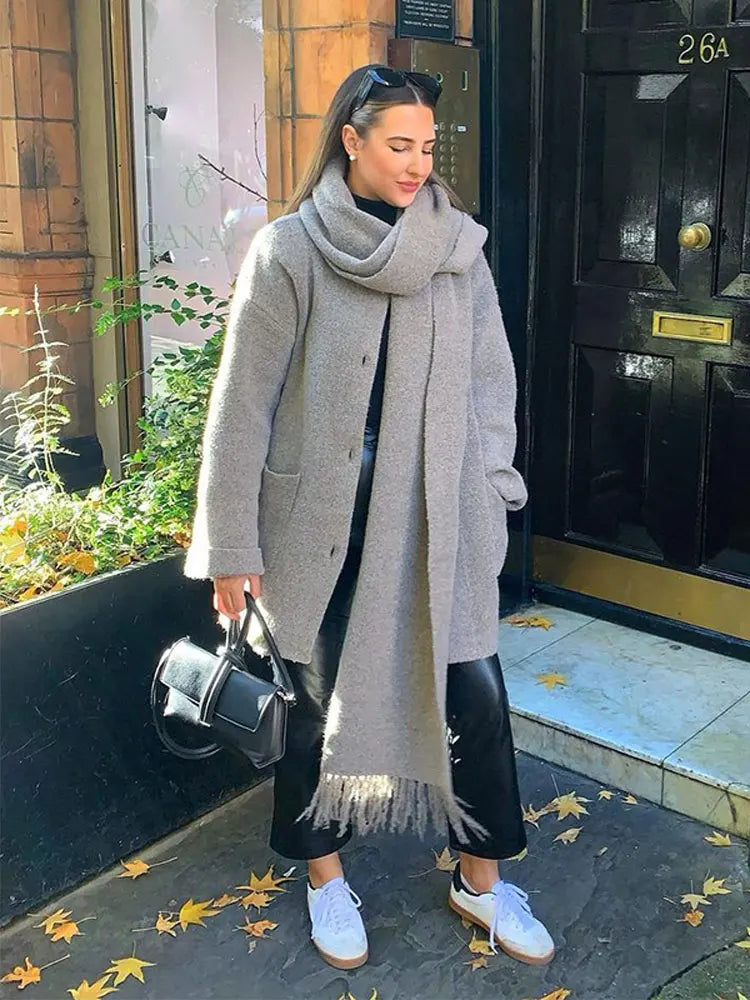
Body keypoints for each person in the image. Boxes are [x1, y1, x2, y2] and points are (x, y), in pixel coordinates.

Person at [184, 64, 554, 972]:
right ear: (350, 141)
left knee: (476, 699)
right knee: (312, 707)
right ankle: (324, 878)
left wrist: (494, 485)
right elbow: (243, 406)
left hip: (438, 520)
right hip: (318, 526)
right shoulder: (290, 251)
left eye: (427, 146)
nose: (417, 164)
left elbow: (492, 382)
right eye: (398, 145)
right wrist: (230, 545)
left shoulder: (457, 251)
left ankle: (481, 880)